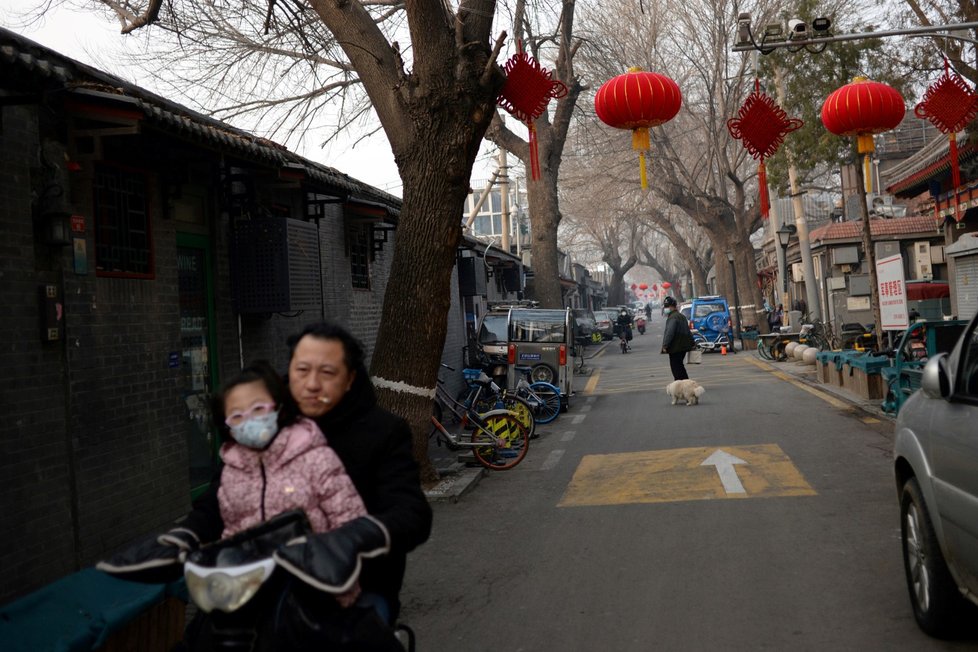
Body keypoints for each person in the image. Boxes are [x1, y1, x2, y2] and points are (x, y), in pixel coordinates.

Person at [183, 322, 433, 626]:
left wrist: (357, 536)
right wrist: (186, 534)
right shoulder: (263, 420)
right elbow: (218, 498)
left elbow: (411, 512)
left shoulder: (383, 432)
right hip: (256, 584)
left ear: (350, 378)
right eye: (302, 371)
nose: (312, 384)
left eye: (327, 373)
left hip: (350, 588)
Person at [213, 360, 367, 605]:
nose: (249, 420)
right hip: (259, 599)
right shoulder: (232, 473)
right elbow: (233, 533)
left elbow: (349, 523)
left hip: (320, 590)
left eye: (258, 408)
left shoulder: (315, 457)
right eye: (237, 416)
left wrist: (339, 577)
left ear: (278, 406)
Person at [660, 296, 695, 380]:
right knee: (680, 366)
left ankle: (681, 385)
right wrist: (693, 343)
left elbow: (670, 332)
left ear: (672, 306)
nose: (666, 308)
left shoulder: (673, 317)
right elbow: (688, 331)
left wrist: (665, 345)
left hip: (675, 347)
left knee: (676, 368)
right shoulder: (681, 316)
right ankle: (685, 383)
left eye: (667, 306)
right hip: (683, 346)